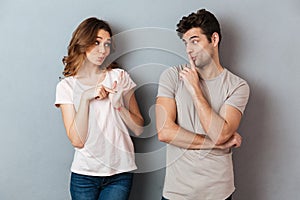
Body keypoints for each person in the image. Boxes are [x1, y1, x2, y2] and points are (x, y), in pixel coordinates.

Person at [156, 9, 250, 200]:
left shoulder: (237, 86)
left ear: (214, 40)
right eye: (185, 42)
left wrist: (195, 89)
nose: (188, 49)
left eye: (195, 41)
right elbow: (165, 132)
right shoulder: (172, 76)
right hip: (177, 193)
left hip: (218, 193)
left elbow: (221, 134)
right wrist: (216, 145)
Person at [55, 17, 144, 200]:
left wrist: (119, 106)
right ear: (83, 42)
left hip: (120, 173)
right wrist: (85, 98)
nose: (103, 50)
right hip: (84, 176)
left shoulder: (119, 77)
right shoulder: (67, 87)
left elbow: (138, 128)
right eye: (96, 42)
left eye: (107, 44)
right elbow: (77, 141)